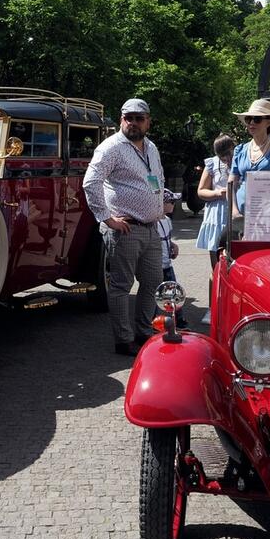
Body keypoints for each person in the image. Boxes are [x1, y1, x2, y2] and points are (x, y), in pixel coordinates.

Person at [83, 98, 166, 357]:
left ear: (148, 121)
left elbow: (156, 180)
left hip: (151, 227)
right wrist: (107, 219)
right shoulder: (111, 147)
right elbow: (91, 183)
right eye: (128, 117)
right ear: (121, 119)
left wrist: (160, 208)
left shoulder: (150, 147)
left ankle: (144, 332)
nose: (133, 122)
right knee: (121, 285)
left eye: (138, 118)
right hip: (125, 229)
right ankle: (123, 339)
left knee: (153, 281)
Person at [230, 99, 270, 219]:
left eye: (257, 119)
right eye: (248, 119)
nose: (251, 123)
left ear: (268, 123)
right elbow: (231, 184)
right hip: (240, 215)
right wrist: (233, 210)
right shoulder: (240, 149)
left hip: (269, 215)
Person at [195, 134, 236, 270]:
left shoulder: (241, 160)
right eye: (221, 156)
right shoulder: (212, 163)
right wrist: (218, 193)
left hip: (235, 211)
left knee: (235, 254)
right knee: (216, 258)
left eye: (229, 155)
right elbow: (201, 191)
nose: (226, 159)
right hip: (216, 213)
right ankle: (216, 281)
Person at [157, 190, 187, 329]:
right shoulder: (154, 222)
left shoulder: (168, 221)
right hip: (157, 265)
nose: (174, 204)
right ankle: (153, 322)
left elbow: (168, 239)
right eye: (171, 202)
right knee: (156, 295)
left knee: (174, 293)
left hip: (167, 264)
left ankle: (178, 321)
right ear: (160, 203)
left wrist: (173, 245)